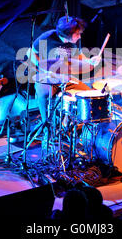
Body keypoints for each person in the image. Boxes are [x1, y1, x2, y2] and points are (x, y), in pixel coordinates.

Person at [30, 16, 101, 155]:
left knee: (88, 94)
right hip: (47, 78)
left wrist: (92, 61)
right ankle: (47, 129)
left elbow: (81, 59)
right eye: (77, 34)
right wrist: (40, 66)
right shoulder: (47, 37)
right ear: (68, 34)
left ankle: (78, 129)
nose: (80, 36)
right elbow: (32, 51)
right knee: (44, 94)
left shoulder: (72, 45)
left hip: (65, 78)